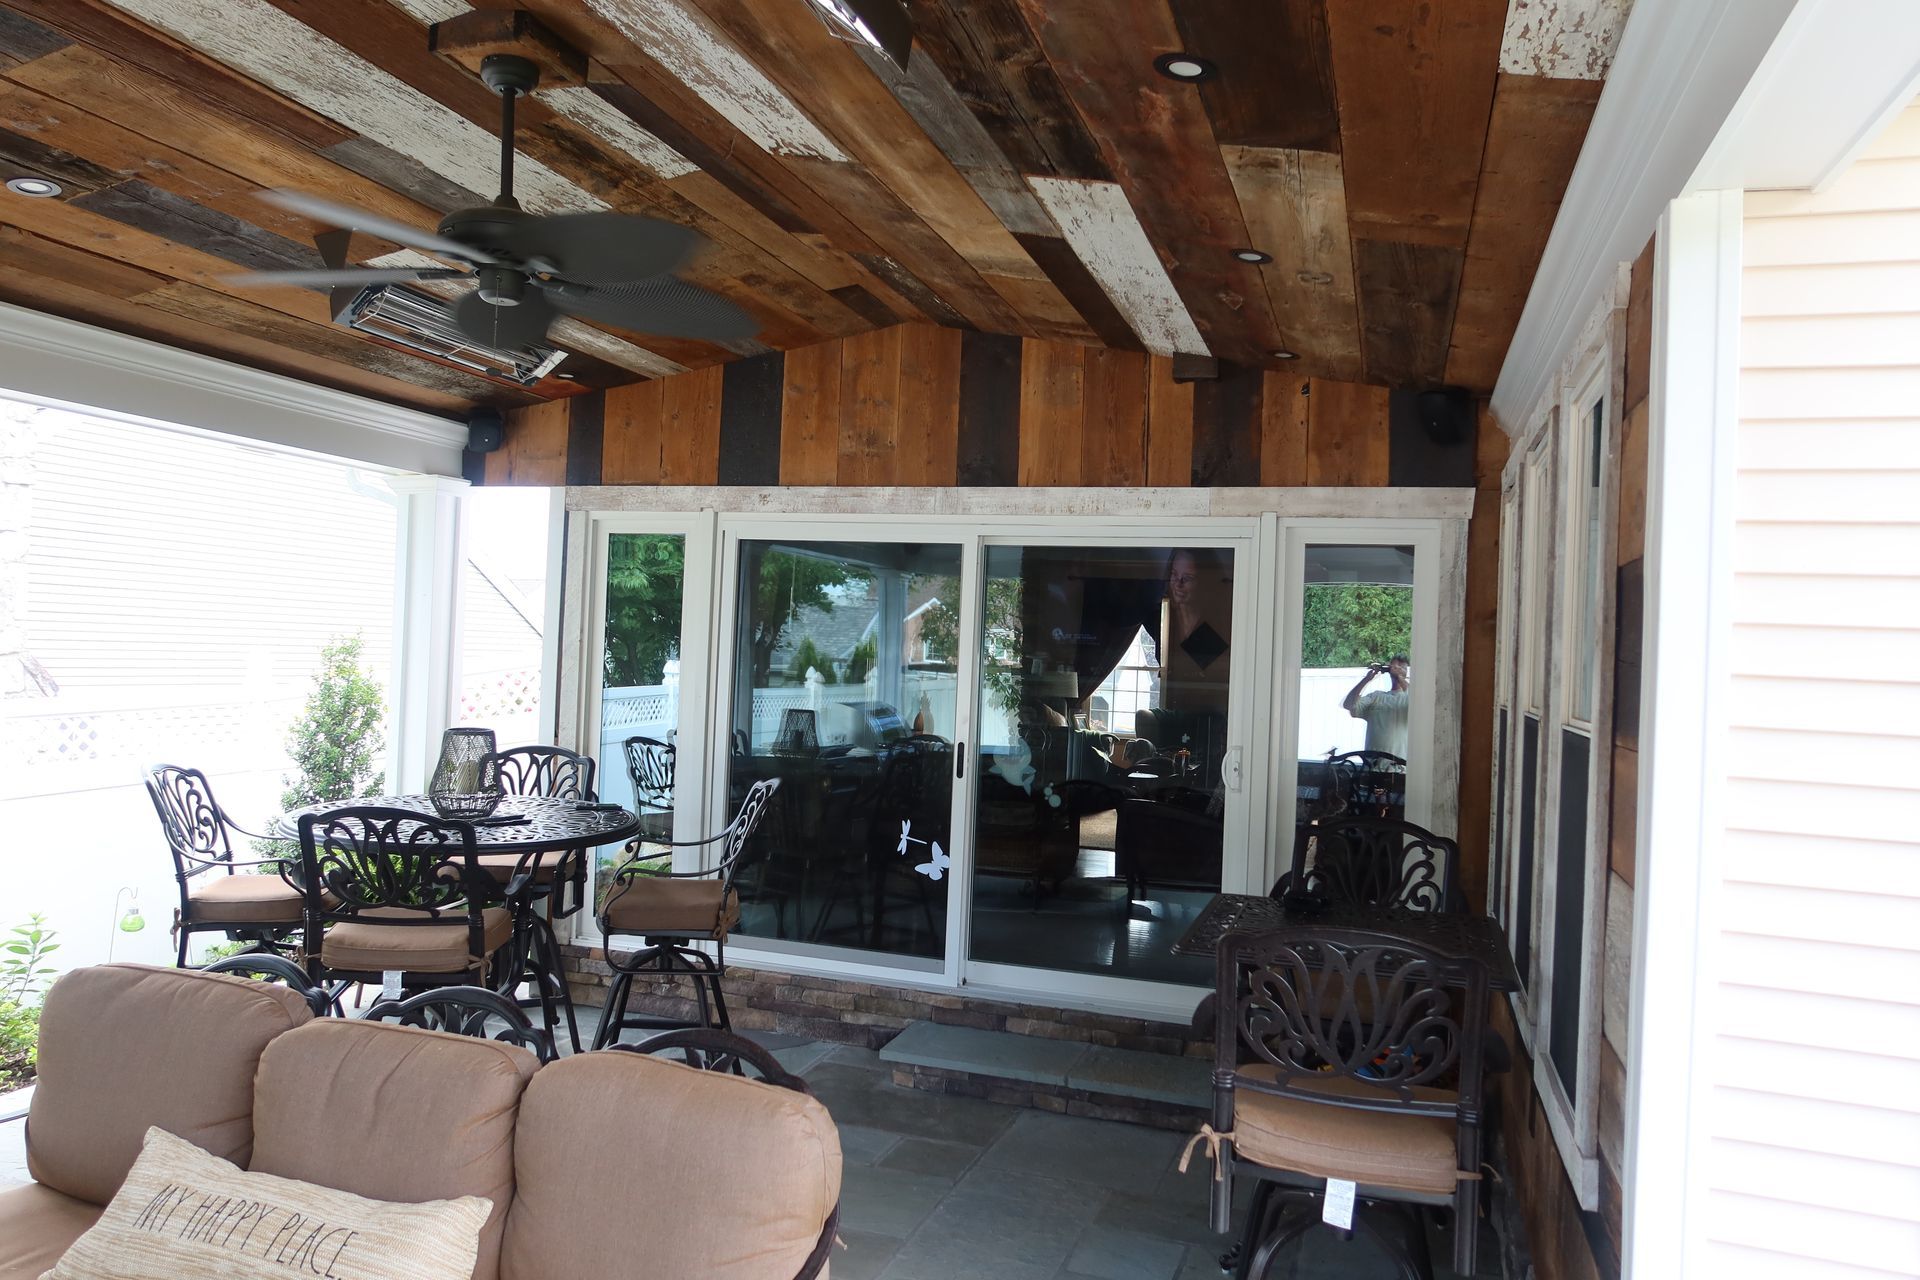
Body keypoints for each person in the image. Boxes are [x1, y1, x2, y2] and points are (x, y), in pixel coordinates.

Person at [1343, 654, 1410, 760]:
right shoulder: (1376, 696)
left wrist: (1400, 678)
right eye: (1394, 666)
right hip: (1371, 765)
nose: (1397, 669)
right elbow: (1348, 705)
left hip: (1398, 766)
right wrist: (1366, 680)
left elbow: (1419, 703)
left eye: (1402, 668)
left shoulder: (1408, 698)